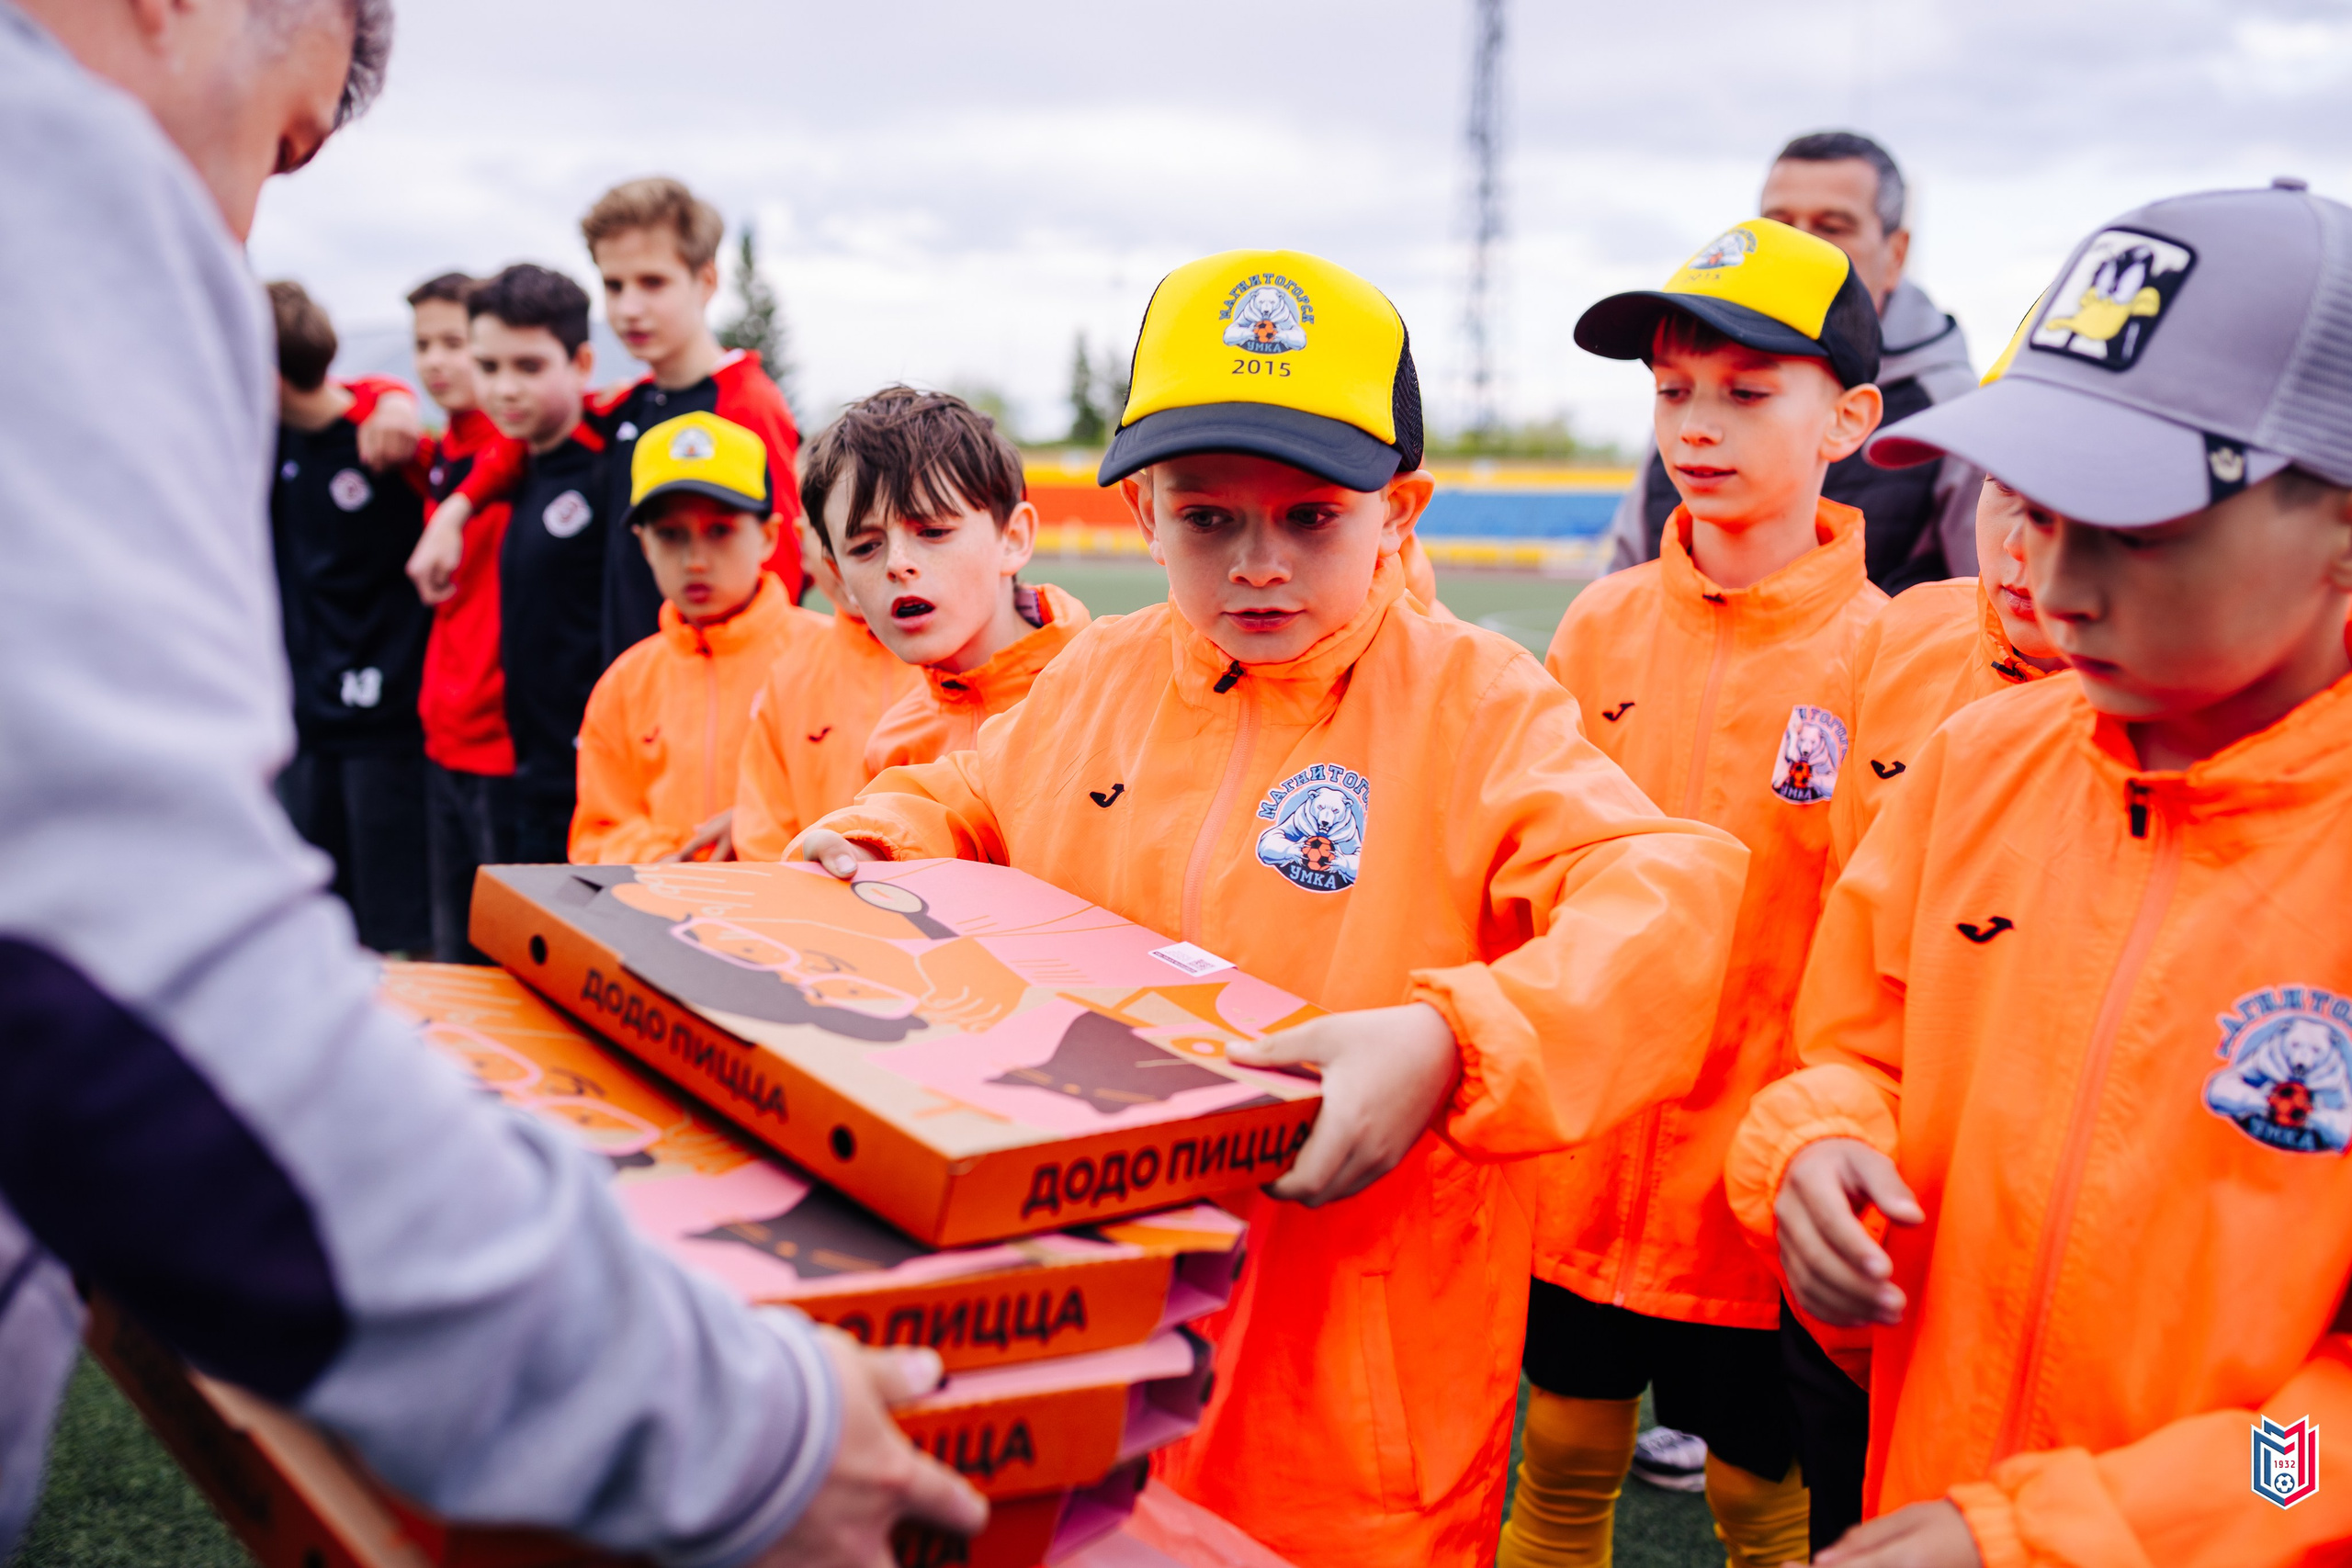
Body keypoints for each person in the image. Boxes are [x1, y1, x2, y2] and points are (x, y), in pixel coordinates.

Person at [0, 4, 982, 1566]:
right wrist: (743, 1430)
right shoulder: (52, 183)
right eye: (281, 140)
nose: (239, 222)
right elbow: (148, 994)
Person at [794, 248, 1752, 1568]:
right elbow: (963, 794)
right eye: (1208, 518)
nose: (1257, 564)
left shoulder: (1474, 702)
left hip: (1350, 1405)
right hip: (1095, 1336)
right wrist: (869, 837)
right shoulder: (1095, 677)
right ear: (1143, 513)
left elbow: (1668, 890)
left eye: (1310, 517)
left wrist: (1457, 1040)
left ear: (1398, 511)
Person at [1728, 182, 2352, 1568]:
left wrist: (2080, 1531)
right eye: (2036, 504)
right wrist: (1816, 1144)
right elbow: (1853, 1053)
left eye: (2138, 523)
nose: (2055, 580)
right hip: (1918, 1490)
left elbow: (2324, 1445)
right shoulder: (1980, 759)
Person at [1501, 219, 1885, 1568]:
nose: (1696, 425)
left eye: (1745, 390)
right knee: (1560, 1462)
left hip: (1755, 1188)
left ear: (1847, 418)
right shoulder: (1600, 624)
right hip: (1580, 1157)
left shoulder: (1885, 654)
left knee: (1758, 1500)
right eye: (1672, 390)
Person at [1605, 131, 1980, 593]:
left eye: (1832, 227)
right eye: (1779, 226)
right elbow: (1624, 580)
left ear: (1896, 254)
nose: (1800, 247)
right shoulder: (1697, 398)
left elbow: (1989, 609)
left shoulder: (1955, 408)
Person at [266, 278, 435, 956]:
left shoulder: (389, 451)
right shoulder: (260, 443)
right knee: (310, 924)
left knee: (396, 936)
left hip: (385, 731)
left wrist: (394, 398)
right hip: (299, 729)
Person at [569, 412, 819, 863]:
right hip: (658, 905)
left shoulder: (828, 657)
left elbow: (873, 807)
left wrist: (760, 826)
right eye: (670, 535)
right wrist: (664, 862)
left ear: (768, 536)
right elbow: (596, 834)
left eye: (720, 530)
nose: (695, 560)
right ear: (644, 545)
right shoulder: (624, 684)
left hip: (794, 905)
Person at [805, 387, 1091, 776]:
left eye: (933, 531)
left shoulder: (1109, 692)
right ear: (840, 578)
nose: (897, 564)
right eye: (866, 547)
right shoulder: (892, 754)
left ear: (1012, 539)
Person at [584, 176, 806, 659]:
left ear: (706, 281)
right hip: (630, 688)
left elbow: (782, 573)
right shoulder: (630, 404)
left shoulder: (748, 403)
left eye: (653, 282)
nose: (629, 308)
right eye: (614, 286)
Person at [467, 264, 618, 864]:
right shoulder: (515, 466)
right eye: (488, 367)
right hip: (523, 770)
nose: (505, 388)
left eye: (528, 367)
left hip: (592, 779)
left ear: (582, 363)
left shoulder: (611, 469)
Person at [400, 270, 529, 962]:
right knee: (449, 950)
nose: (436, 362)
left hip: (501, 740)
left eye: (455, 344)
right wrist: (385, 395)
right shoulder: (441, 451)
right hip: (443, 731)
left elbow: (514, 446)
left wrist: (456, 507)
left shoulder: (511, 449)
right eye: (423, 345)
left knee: (496, 952)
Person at [729, 528, 921, 862]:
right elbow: (763, 832)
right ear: (805, 545)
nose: (852, 558)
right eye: (832, 535)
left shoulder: (952, 664)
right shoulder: (789, 674)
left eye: (870, 541)